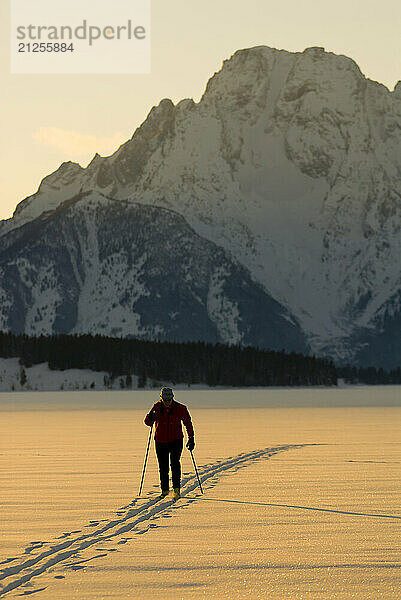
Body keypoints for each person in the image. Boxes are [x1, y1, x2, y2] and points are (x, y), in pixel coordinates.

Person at [144, 387, 195, 500]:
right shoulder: (156, 407)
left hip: (176, 440)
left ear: (172, 397)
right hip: (160, 441)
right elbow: (147, 422)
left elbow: (188, 423)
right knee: (163, 466)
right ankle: (165, 490)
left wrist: (191, 438)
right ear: (161, 398)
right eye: (165, 399)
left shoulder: (180, 408)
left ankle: (176, 490)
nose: (167, 402)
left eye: (169, 399)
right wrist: (150, 417)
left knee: (175, 464)